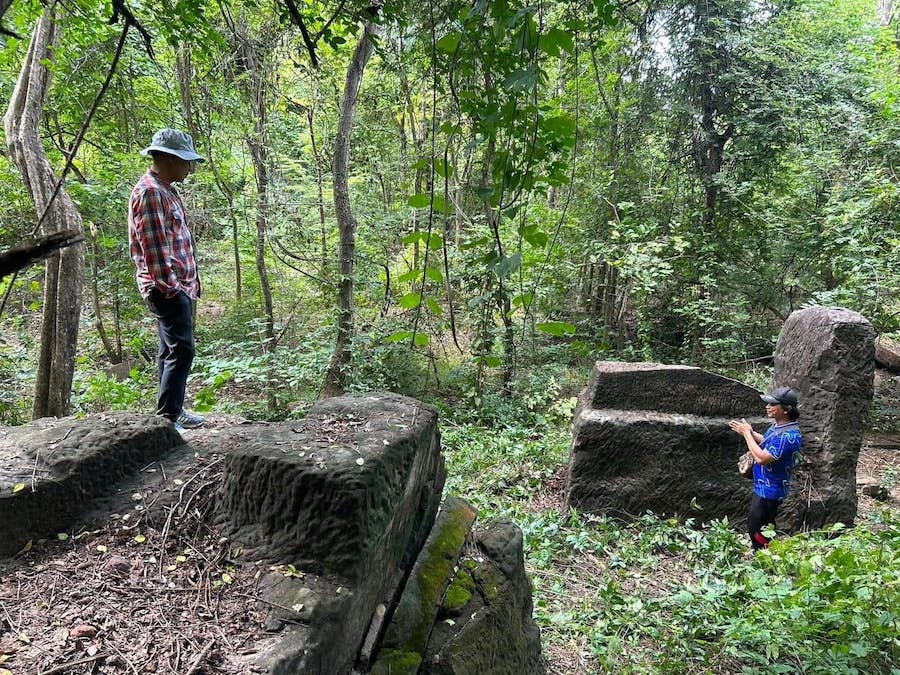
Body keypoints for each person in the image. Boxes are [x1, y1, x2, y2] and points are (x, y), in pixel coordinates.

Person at [128, 128, 205, 430]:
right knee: (182, 348)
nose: (189, 168)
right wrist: (171, 288)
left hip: (175, 285)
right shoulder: (151, 192)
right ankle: (169, 418)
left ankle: (169, 411)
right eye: (186, 162)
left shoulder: (165, 189)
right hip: (166, 287)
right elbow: (154, 247)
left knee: (169, 348)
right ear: (168, 158)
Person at [729, 387, 803, 551]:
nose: (767, 407)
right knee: (765, 524)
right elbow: (768, 443)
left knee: (756, 525)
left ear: (786, 410)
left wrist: (747, 435)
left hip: (770, 490)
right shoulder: (779, 427)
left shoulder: (788, 437)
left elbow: (762, 458)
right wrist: (751, 433)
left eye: (772, 404)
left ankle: (763, 555)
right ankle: (769, 553)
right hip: (763, 486)